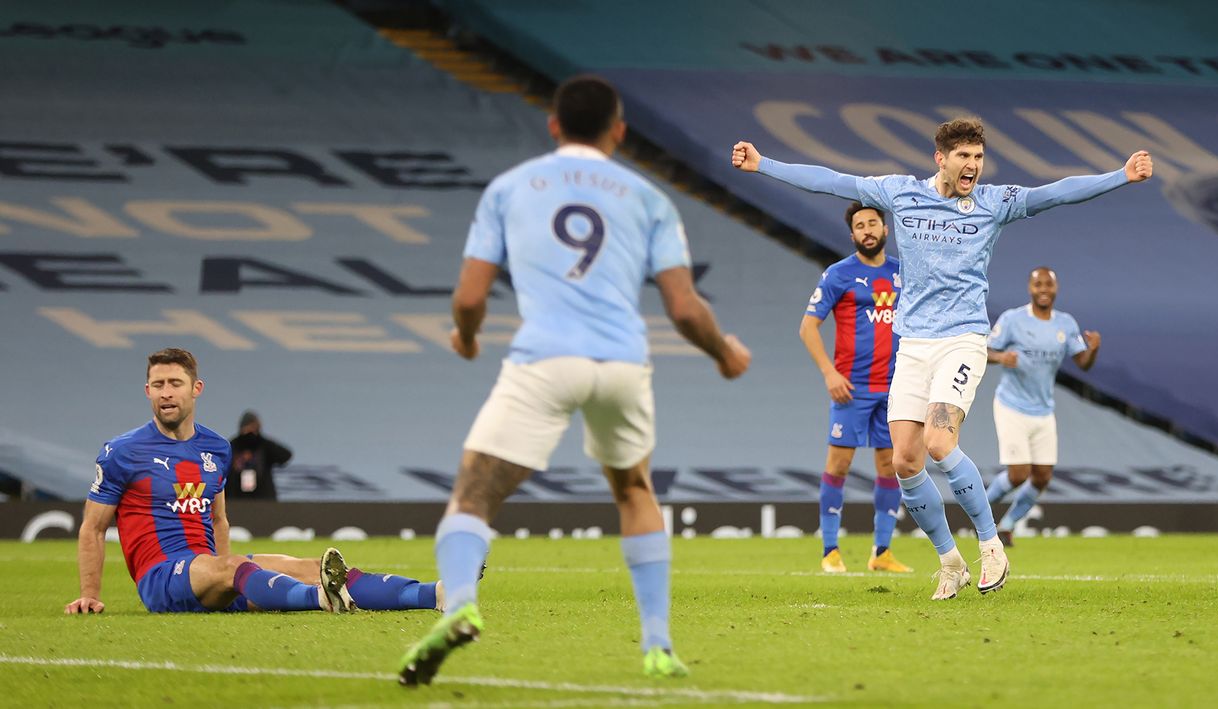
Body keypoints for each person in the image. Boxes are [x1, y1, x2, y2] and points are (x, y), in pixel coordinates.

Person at [397, 75, 751, 686]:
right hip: (621, 365)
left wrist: (468, 336)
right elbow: (685, 308)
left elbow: (469, 295)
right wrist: (722, 352)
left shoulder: (510, 189)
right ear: (619, 130)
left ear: (554, 125)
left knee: (474, 495)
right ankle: (658, 645)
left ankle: (457, 606)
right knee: (635, 492)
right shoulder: (649, 198)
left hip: (545, 359)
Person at [733, 119, 1152, 600]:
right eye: (964, 157)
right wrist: (763, 165)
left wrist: (1120, 175)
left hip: (962, 340)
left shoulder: (995, 202)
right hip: (912, 345)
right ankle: (949, 560)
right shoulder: (901, 194)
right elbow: (831, 180)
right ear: (941, 158)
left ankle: (991, 543)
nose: (973, 166)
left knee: (937, 441)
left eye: (978, 157)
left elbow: (1055, 193)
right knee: (905, 462)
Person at [66, 347, 444, 615]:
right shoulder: (122, 451)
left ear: (196, 389)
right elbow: (93, 528)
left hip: (209, 571)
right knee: (233, 570)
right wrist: (90, 595)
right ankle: (321, 600)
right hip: (162, 577)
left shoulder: (215, 447)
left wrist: (222, 570)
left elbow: (218, 520)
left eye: (175, 383)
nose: (167, 392)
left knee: (308, 566)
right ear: (147, 391)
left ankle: (436, 594)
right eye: (158, 384)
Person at [800, 201, 911, 574]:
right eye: (860, 225)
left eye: (872, 223)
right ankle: (830, 551)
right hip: (852, 387)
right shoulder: (838, 274)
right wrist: (829, 374)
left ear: (885, 230)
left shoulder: (904, 273)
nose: (866, 230)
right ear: (852, 236)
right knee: (840, 463)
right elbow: (807, 327)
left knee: (889, 465)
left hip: (894, 389)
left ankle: (881, 552)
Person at [985, 267, 1100, 546]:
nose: (1044, 289)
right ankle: (980, 514)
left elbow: (1082, 363)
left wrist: (1092, 348)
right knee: (1018, 474)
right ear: (1030, 289)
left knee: (1042, 476)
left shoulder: (1065, 324)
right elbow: (984, 350)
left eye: (1049, 284)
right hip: (1012, 405)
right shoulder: (1013, 319)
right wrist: (1001, 358)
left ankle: (1008, 526)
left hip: (1043, 409)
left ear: (1056, 288)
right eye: (1038, 285)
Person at [226, 410, 291, 501]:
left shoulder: (264, 446)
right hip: (236, 498)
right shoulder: (232, 447)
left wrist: (260, 438)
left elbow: (285, 456)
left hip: (262, 498)